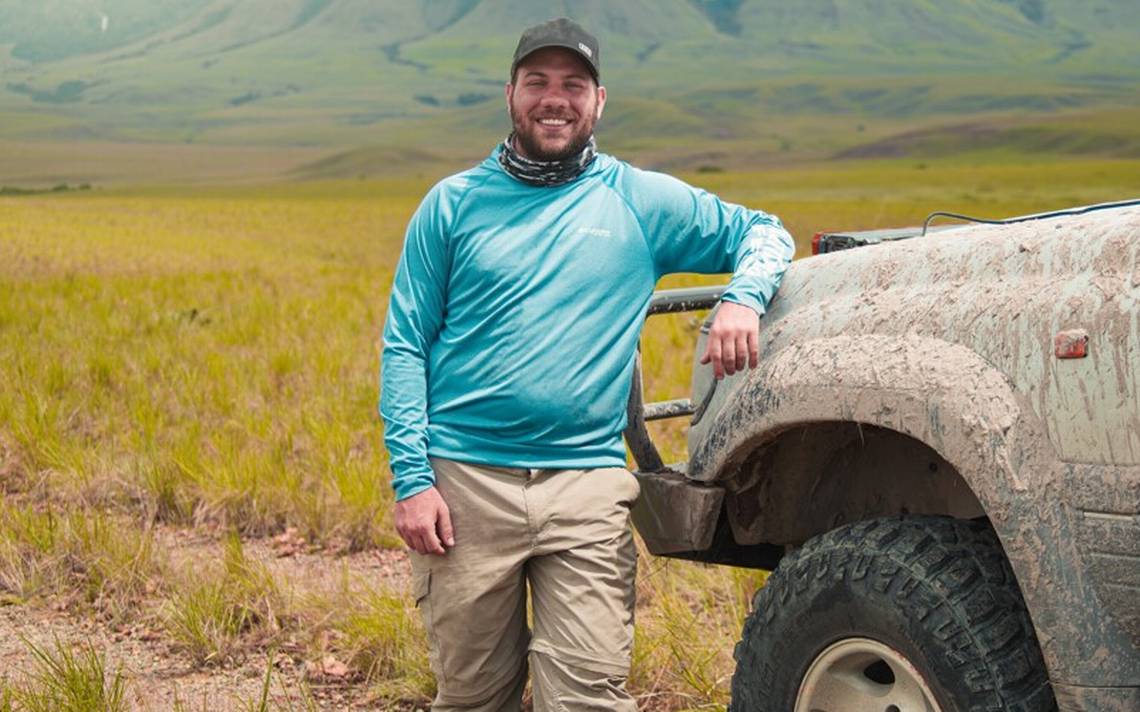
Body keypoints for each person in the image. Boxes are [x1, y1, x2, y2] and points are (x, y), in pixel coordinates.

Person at [380, 17, 794, 711]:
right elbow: (404, 343)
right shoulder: (451, 205)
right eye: (537, 81)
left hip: (587, 485)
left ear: (600, 100)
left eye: (573, 84)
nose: (555, 98)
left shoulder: (636, 199)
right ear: (509, 93)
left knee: (588, 696)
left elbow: (764, 230)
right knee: (473, 696)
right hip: (463, 489)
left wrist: (741, 300)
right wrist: (413, 480)